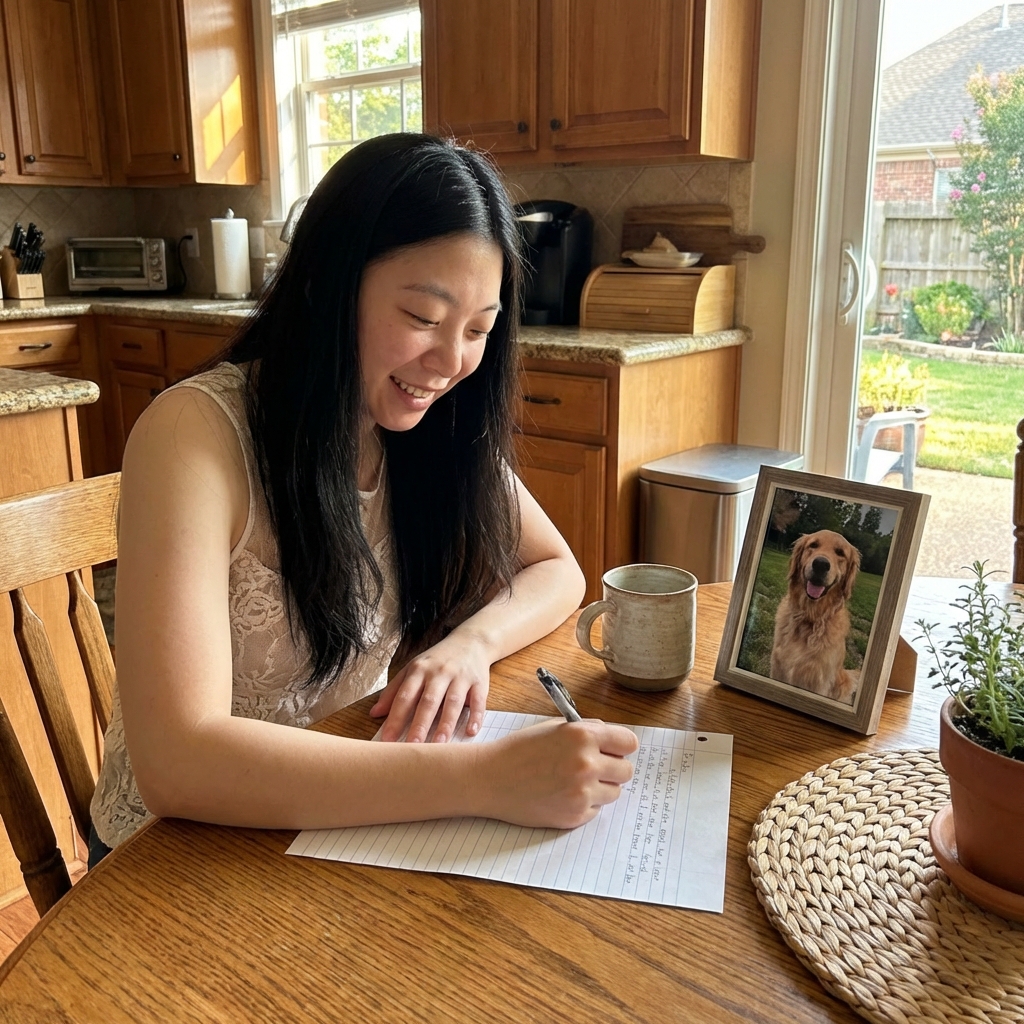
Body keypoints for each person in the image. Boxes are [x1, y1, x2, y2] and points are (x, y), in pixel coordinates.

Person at [88, 134, 638, 868]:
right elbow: (178, 762)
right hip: (173, 856)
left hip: (336, 821)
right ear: (328, 283)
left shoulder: (429, 424)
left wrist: (467, 647)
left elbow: (556, 569)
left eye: (478, 329)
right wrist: (487, 779)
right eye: (423, 317)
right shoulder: (194, 433)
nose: (451, 362)